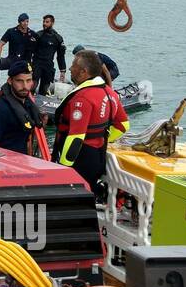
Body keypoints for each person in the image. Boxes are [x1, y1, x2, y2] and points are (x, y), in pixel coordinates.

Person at [53, 50, 129, 191]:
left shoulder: (82, 98)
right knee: (89, 195)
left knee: (73, 202)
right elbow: (123, 125)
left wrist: (63, 167)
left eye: (73, 65)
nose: (70, 68)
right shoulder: (110, 93)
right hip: (98, 155)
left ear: (83, 72)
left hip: (80, 159)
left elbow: (76, 138)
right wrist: (102, 137)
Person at [0, 60, 45, 157]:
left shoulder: (28, 106)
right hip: (5, 165)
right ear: (10, 81)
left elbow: (27, 141)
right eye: (19, 81)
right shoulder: (0, 110)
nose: (25, 86)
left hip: (23, 163)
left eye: (28, 81)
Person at [0, 12, 38, 92]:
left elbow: (39, 48)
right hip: (12, 60)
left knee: (36, 71)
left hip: (26, 63)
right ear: (19, 22)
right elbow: (0, 44)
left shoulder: (32, 34)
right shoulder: (11, 31)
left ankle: (31, 91)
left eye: (27, 21)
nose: (25, 23)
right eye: (23, 21)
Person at [32, 14, 67, 95]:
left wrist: (63, 71)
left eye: (47, 22)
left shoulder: (58, 38)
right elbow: (29, 51)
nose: (44, 23)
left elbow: (60, 56)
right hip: (37, 63)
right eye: (43, 22)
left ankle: (41, 104)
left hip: (48, 65)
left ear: (52, 23)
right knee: (34, 84)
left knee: (45, 88)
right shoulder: (38, 35)